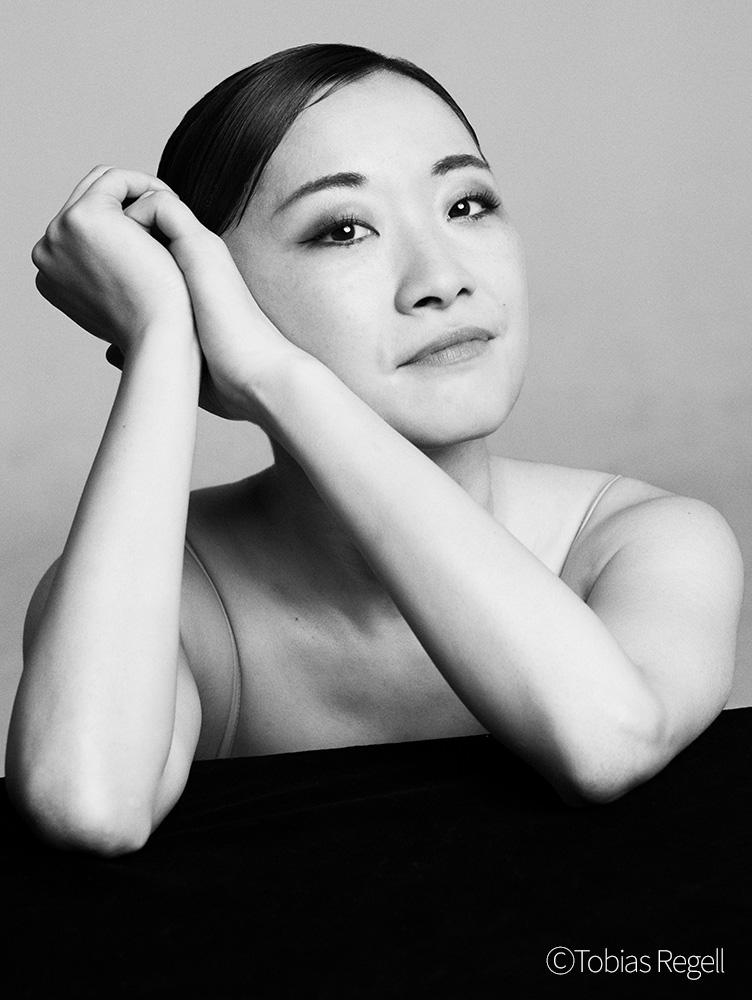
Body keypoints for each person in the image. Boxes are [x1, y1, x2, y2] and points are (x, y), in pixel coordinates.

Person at [7, 43, 743, 856]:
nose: (443, 278)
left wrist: (274, 373)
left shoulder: (642, 541)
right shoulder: (164, 589)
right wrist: (162, 338)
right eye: (344, 229)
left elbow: (606, 742)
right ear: (218, 301)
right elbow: (88, 804)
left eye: (467, 204)